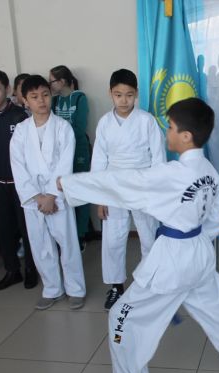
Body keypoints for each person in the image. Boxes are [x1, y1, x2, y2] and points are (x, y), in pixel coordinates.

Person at [58, 98, 219, 373]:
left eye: (171, 128)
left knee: (122, 317)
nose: (167, 133)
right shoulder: (207, 169)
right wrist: (195, 239)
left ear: (186, 136)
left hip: (172, 261)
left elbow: (122, 182)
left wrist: (69, 184)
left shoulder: (171, 174)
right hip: (199, 255)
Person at [91, 69, 166, 310]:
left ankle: (149, 284)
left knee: (148, 235)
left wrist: (156, 191)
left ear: (137, 94)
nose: (124, 100)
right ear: (110, 94)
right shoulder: (105, 123)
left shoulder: (147, 121)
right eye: (118, 95)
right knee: (113, 238)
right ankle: (116, 286)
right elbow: (99, 161)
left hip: (143, 183)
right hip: (114, 185)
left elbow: (158, 158)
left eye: (129, 95)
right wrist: (100, 197)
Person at [10, 75, 86, 310]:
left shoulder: (63, 127)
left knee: (67, 243)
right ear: (25, 101)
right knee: (40, 244)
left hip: (57, 195)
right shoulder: (21, 131)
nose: (41, 100)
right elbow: (18, 166)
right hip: (33, 198)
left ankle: (75, 289)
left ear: (51, 96)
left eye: (45, 94)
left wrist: (52, 195)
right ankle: (52, 289)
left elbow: (65, 164)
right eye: (34, 97)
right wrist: (38, 196)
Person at [0, 69, 38, 290]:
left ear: (7, 89)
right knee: (2, 229)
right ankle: (12, 270)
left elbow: (30, 152)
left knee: (26, 228)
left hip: (20, 184)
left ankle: (31, 268)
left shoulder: (20, 116)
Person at [49, 65, 90, 251]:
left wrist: (62, 135)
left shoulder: (80, 97)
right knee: (63, 192)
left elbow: (80, 126)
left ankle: (81, 234)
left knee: (80, 192)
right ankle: (68, 233)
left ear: (62, 81)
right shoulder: (54, 101)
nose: (50, 85)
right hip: (59, 152)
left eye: (52, 81)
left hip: (78, 150)